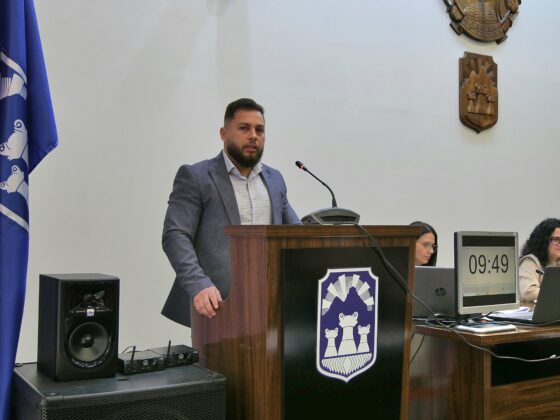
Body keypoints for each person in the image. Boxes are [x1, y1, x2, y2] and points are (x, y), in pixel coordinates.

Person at [161, 98, 300, 326]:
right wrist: (199, 284)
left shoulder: (275, 180)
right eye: (244, 128)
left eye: (259, 130)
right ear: (223, 134)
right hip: (217, 307)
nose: (253, 136)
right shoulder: (197, 177)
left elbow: (296, 234)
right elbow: (175, 235)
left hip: (270, 305)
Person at [519, 218, 560, 302]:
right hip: (533, 310)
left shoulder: (558, 262)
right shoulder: (530, 262)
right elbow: (528, 292)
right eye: (556, 240)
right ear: (543, 241)